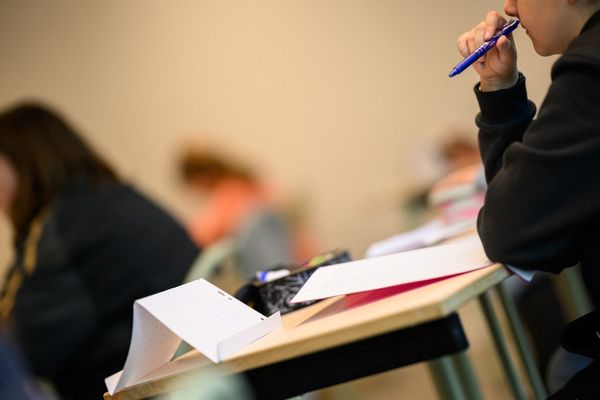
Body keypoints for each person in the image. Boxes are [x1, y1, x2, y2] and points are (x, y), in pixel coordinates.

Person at [0, 102, 200, 400]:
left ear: (22, 164)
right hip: (196, 374)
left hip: (137, 387)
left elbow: (17, 351)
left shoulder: (59, 230)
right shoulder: (123, 197)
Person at [456, 1, 600, 398]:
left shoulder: (590, 71)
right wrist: (500, 90)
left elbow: (512, 234)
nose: (509, 6)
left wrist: (501, 100)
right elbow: (546, 237)